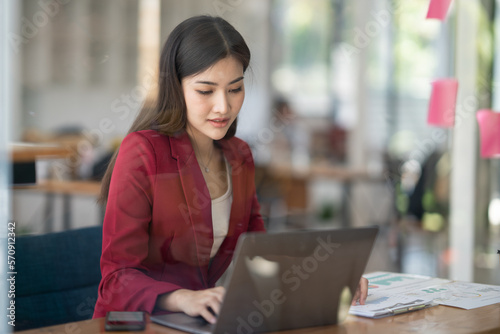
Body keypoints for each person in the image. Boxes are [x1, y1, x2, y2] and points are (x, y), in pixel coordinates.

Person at [92, 15, 368, 324]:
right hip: (139, 323)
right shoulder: (143, 151)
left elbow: (257, 252)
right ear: (176, 87)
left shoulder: (238, 156)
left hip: (200, 322)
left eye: (234, 89)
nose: (223, 106)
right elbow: (117, 278)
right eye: (206, 91)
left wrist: (325, 272)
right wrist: (183, 297)